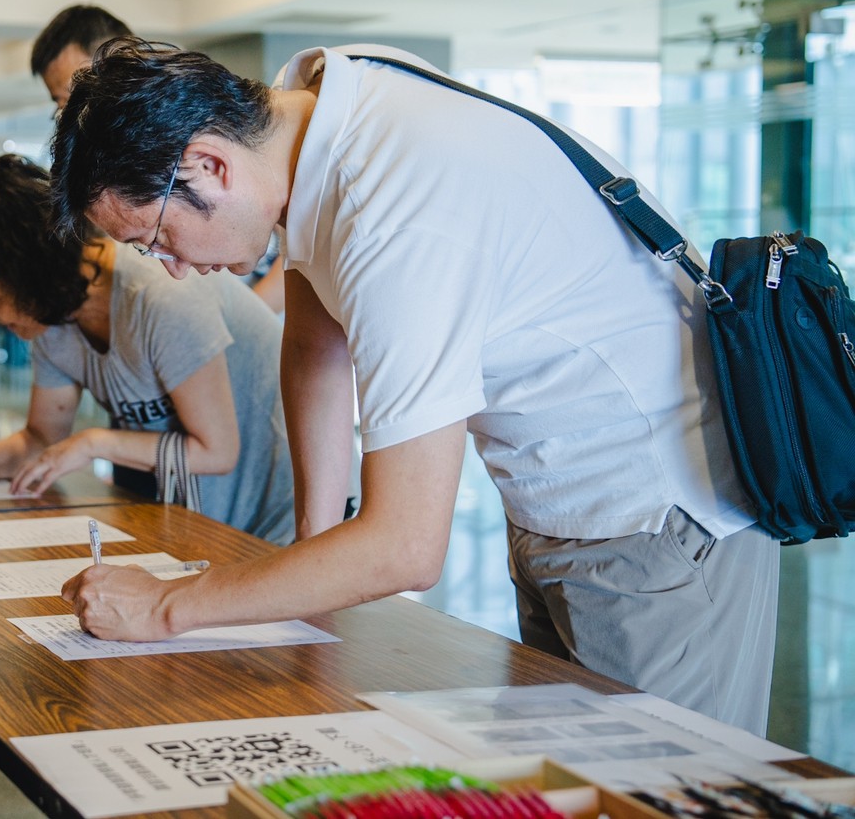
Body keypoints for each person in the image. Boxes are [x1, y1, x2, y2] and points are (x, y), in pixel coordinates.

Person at [47, 39, 776, 734]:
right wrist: (312, 547)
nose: (169, 267)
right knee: (571, 781)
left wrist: (169, 608)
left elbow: (404, 547)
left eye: (157, 239)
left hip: (657, 520)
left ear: (209, 165)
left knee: (656, 794)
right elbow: (313, 344)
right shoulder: (322, 108)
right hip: (557, 503)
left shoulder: (394, 210)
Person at [0, 155, 293, 545]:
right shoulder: (50, 316)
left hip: (271, 516)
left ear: (29, 273)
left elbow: (216, 451)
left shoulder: (160, 296)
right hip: (196, 518)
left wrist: (94, 442)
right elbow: (41, 437)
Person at [33, 4, 285, 309]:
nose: (76, 110)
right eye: (64, 103)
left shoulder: (194, 126)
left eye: (81, 89)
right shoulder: (107, 186)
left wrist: (251, 322)